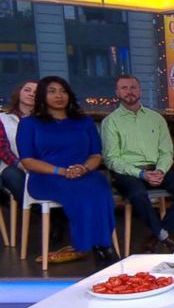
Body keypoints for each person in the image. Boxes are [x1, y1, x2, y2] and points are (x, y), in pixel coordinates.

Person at [16, 76, 118, 267]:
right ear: (42, 96)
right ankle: (93, 245)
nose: (59, 96)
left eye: (63, 91)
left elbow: (96, 155)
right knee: (79, 193)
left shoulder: (84, 122)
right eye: (52, 91)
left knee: (100, 188)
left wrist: (83, 167)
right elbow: (28, 161)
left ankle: (103, 245)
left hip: (82, 172)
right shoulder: (29, 124)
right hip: (46, 176)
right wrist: (61, 171)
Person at [101, 74, 174, 252]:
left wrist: (160, 170)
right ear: (117, 93)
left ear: (140, 90)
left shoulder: (156, 118)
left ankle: (157, 235)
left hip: (157, 168)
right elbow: (112, 159)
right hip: (128, 173)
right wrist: (141, 174)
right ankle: (165, 237)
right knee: (138, 194)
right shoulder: (111, 122)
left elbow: (166, 151)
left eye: (133, 87)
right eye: (124, 88)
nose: (129, 91)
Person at [0, 80, 36, 205]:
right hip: (13, 166)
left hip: (42, 167)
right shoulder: (3, 118)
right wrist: (20, 164)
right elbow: (2, 148)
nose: (31, 94)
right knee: (12, 175)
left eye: (36, 92)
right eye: (27, 90)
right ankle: (37, 211)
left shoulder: (45, 121)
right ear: (19, 93)